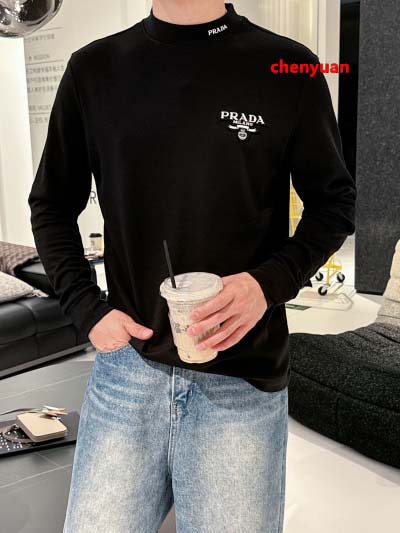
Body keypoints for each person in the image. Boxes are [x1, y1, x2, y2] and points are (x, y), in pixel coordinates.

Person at [28, 1, 356, 531]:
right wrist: (86, 308)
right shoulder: (94, 69)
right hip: (126, 372)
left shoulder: (287, 67)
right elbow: (51, 203)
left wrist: (265, 285)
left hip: (241, 381)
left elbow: (333, 203)